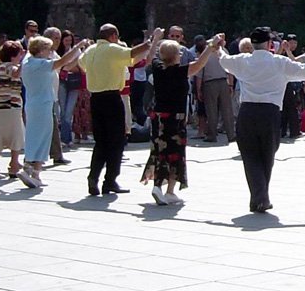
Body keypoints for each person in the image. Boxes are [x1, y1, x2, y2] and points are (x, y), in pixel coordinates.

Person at [219, 27, 305, 213]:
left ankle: (259, 197)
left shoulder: (242, 60)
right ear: (270, 44)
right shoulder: (279, 62)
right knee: (267, 154)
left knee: (250, 156)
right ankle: (261, 197)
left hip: (247, 111)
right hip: (270, 112)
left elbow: (223, 60)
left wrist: (217, 47)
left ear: (252, 44)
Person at [142, 33, 219, 205]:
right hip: (176, 118)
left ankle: (163, 189)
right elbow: (200, 64)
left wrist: (156, 39)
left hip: (158, 116)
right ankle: (165, 189)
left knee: (159, 150)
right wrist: (211, 46)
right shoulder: (180, 71)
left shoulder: (158, 68)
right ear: (176, 55)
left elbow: (150, 57)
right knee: (175, 153)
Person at [81, 24, 152, 196]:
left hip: (95, 98)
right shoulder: (112, 49)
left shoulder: (90, 50)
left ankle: (93, 176)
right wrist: (150, 41)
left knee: (101, 141)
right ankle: (110, 180)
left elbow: (81, 64)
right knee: (117, 141)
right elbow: (132, 53)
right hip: (112, 98)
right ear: (113, 36)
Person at [18, 36, 84, 188]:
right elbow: (63, 62)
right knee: (43, 138)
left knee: (33, 136)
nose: (50, 52)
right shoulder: (41, 64)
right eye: (48, 49)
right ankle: (34, 172)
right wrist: (77, 47)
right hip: (43, 104)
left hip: (32, 104)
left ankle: (29, 167)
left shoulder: (27, 62)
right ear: (41, 50)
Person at [0, 42, 26, 181]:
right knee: (16, 135)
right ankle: (13, 165)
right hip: (10, 107)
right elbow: (15, 73)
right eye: (19, 54)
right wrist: (25, 61)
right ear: (13, 55)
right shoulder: (10, 67)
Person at [197, 28, 236, 145]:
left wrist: (198, 90)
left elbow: (199, 73)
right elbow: (230, 70)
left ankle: (212, 135)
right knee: (227, 110)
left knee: (211, 110)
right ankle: (231, 135)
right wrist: (231, 84)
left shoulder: (205, 53)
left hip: (209, 83)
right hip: (223, 82)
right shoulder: (224, 51)